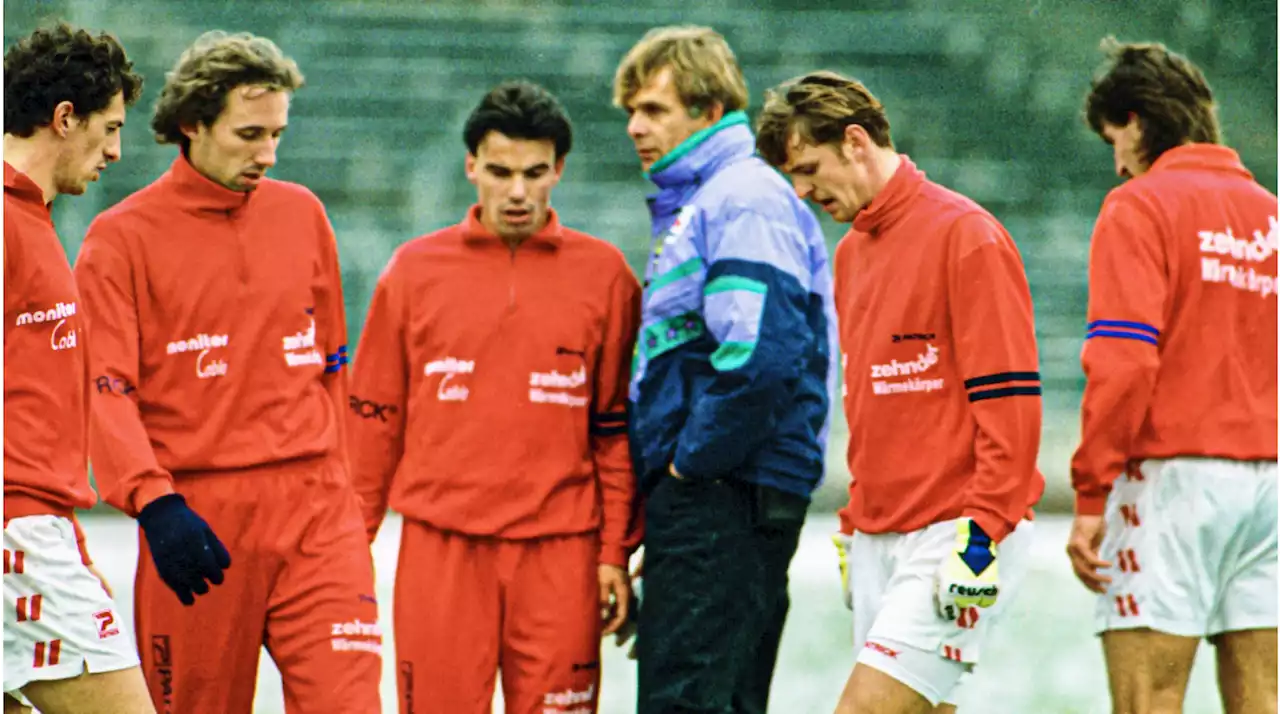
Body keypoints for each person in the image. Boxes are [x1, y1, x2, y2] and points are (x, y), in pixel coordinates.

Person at [72, 31, 381, 713]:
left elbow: (332, 364)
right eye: (249, 134)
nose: (267, 154)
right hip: (197, 520)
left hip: (316, 512)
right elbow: (105, 391)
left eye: (277, 134)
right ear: (192, 123)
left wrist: (349, 496)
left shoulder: (303, 214)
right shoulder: (121, 239)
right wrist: (154, 505)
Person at [346, 79, 642, 714]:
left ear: (558, 170)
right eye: (501, 171)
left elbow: (616, 431)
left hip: (562, 554)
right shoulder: (412, 272)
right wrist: (349, 548)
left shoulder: (606, 276)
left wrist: (615, 552)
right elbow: (372, 424)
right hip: (441, 549)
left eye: (534, 173)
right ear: (471, 166)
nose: (516, 191)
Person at [756, 70, 1045, 714]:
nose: (802, 192)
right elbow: (868, 399)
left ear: (855, 142)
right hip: (880, 538)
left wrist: (983, 534)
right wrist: (858, 521)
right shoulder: (850, 254)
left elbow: (1013, 408)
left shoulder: (966, 235)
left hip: (958, 530)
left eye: (808, 168)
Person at [613, 26, 837, 714]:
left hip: (724, 489)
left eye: (653, 109)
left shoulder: (740, 196)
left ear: (709, 111)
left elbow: (761, 354)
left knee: (687, 700)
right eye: (630, 112)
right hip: (726, 492)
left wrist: (689, 468)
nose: (635, 128)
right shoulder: (715, 198)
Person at [1066, 37, 1278, 714]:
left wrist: (1092, 494)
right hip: (1269, 482)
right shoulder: (1271, 216)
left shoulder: (1141, 206)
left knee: (1149, 699)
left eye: (1112, 140)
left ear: (1135, 122)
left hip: (1173, 480)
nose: (1117, 162)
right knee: (1262, 696)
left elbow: (1123, 364)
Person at [1, 22, 153, 714]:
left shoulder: (32, 218)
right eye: (110, 127)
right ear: (65, 119)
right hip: (19, 536)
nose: (118, 151)